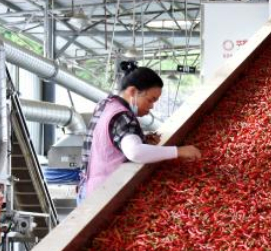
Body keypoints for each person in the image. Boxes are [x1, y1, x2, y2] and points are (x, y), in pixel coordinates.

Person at [78, 63, 201, 202]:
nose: (152, 106)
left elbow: (110, 144)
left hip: (89, 189)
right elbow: (135, 152)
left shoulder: (106, 104)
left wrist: (143, 140)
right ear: (132, 92)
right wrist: (178, 151)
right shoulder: (123, 116)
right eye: (150, 100)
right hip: (103, 196)